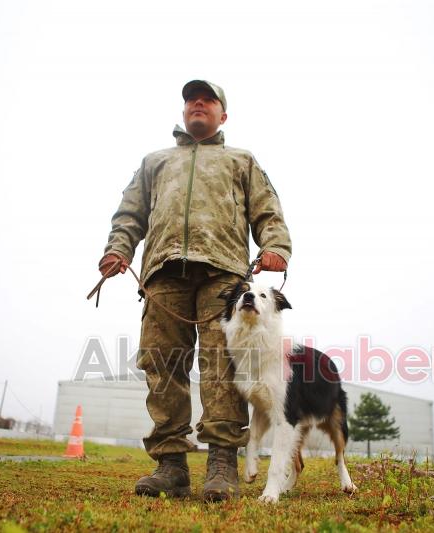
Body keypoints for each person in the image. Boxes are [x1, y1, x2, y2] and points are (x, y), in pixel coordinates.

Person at [97, 80, 292, 502]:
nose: (197, 104)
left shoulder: (241, 160)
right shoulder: (155, 162)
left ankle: (222, 463)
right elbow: (130, 213)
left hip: (223, 274)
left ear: (223, 115)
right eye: (191, 100)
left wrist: (275, 246)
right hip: (163, 273)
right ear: (184, 112)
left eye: (207, 100)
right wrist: (119, 248)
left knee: (221, 363)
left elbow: (267, 210)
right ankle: (171, 465)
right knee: (162, 362)